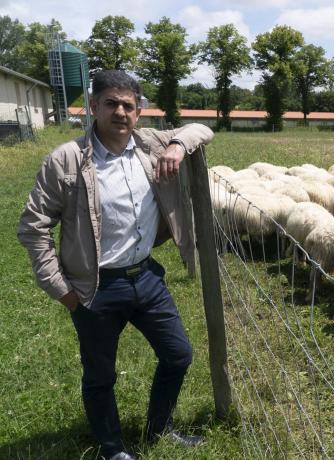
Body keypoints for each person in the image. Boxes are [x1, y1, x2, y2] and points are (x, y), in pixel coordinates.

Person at [17, 70, 214, 460]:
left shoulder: (152, 145)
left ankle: (159, 426)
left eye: (129, 105)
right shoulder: (67, 160)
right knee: (100, 375)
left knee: (178, 355)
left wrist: (176, 145)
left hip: (146, 277)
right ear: (93, 108)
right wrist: (63, 291)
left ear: (139, 112)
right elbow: (32, 227)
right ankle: (112, 449)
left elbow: (202, 129)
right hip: (95, 288)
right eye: (111, 104)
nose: (120, 112)